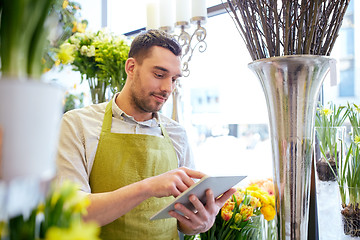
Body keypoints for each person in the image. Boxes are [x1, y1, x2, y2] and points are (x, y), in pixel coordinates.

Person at [56, 29, 236, 240]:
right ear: (131, 67)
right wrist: (148, 187)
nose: (167, 88)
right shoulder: (78, 124)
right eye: (159, 75)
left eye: (174, 79)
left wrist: (200, 223)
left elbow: (182, 221)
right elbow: (71, 212)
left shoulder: (177, 133)